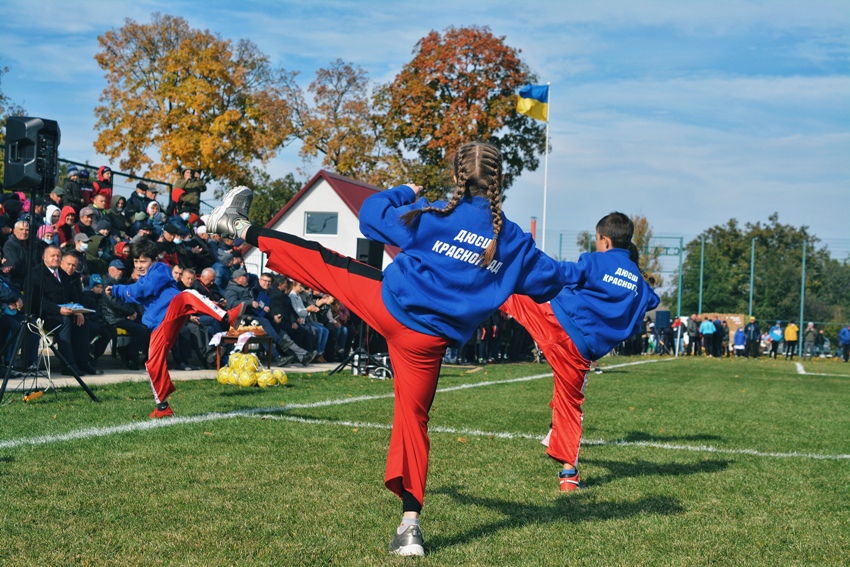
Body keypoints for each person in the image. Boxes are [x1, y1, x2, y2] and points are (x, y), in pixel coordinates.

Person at [205, 141, 567, 556]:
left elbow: (373, 216)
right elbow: (550, 281)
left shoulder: (432, 215)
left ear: (455, 178)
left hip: (390, 306)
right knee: (414, 421)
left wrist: (406, 190)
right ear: (500, 183)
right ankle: (410, 526)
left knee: (323, 261)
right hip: (427, 343)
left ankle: (235, 226)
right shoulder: (515, 243)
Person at [501, 218, 659, 492]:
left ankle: (457, 285)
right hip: (581, 351)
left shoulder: (597, 261)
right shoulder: (641, 287)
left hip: (556, 322)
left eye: (598, 240)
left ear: (605, 241)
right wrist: (635, 272)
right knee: (570, 405)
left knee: (507, 290)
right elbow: (652, 299)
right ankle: (569, 477)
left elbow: (563, 272)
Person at [105, 237, 247, 417]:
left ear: (154, 260)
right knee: (152, 363)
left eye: (143, 261)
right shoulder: (142, 279)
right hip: (159, 324)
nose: (139, 265)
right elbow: (136, 294)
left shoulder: (160, 269)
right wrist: (116, 292)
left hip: (172, 310)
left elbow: (143, 289)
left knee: (187, 294)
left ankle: (228, 317)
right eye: (136, 261)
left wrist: (119, 289)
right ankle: (162, 407)